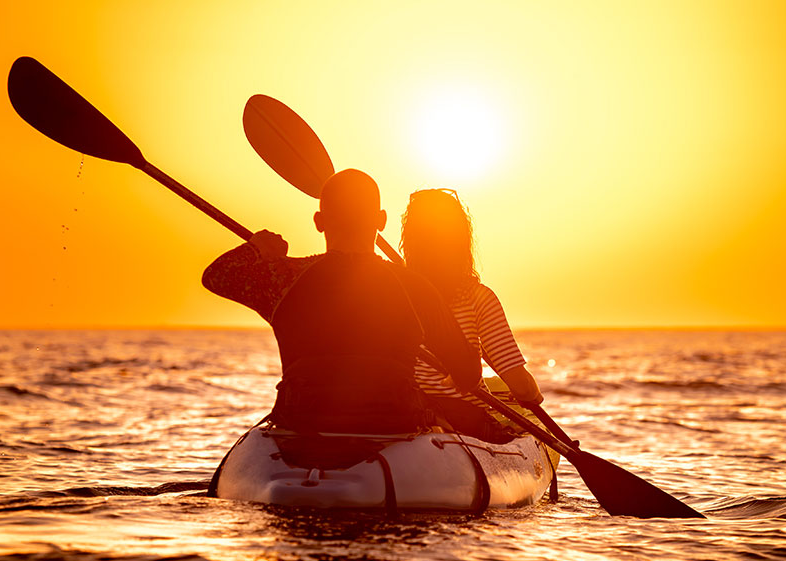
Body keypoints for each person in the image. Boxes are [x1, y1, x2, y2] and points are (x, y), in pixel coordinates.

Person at [202, 169, 480, 435]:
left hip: (301, 421)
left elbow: (216, 275)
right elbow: (468, 375)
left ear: (319, 221)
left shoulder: (282, 278)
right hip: (393, 424)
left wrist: (258, 248)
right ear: (381, 221)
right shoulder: (414, 286)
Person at [401, 188, 543, 441]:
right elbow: (519, 384)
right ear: (461, 240)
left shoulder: (394, 291)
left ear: (409, 240)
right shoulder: (478, 298)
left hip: (405, 413)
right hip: (461, 418)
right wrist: (531, 393)